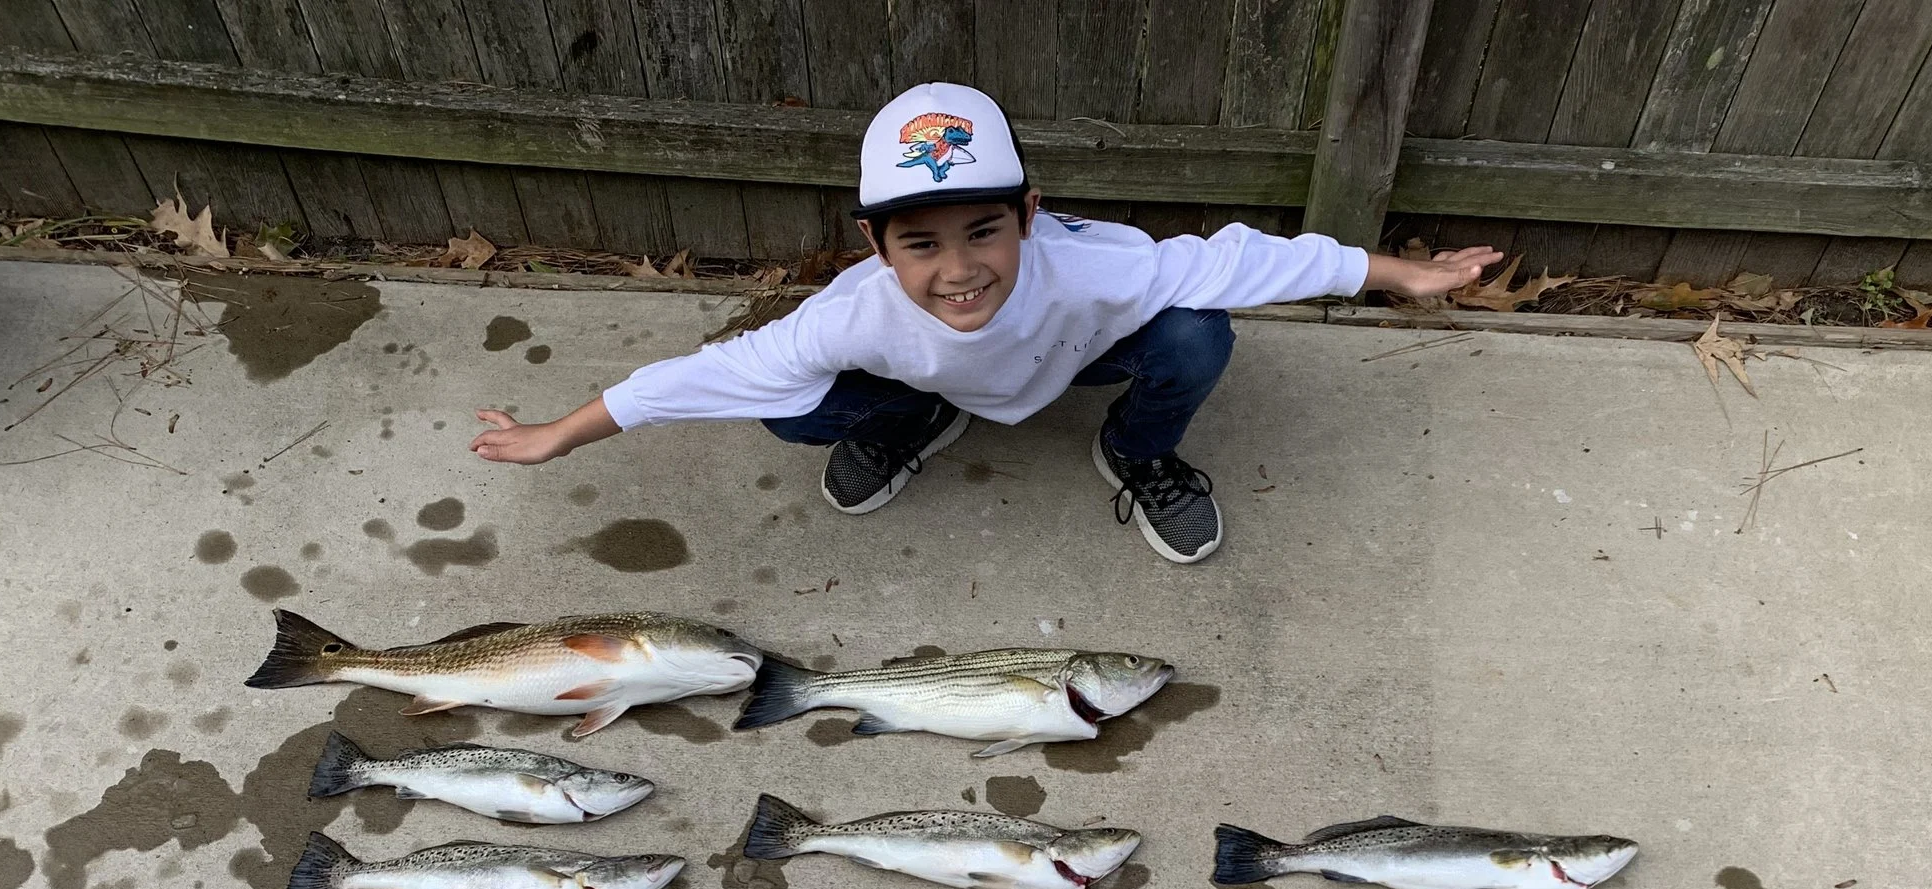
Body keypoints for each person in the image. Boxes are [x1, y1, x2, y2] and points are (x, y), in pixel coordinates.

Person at [472, 81, 1498, 565]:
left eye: (983, 232)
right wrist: (561, 432)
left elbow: (1240, 256)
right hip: (929, 377)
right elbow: (704, 372)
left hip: (1079, 358)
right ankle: (912, 422)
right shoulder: (852, 315)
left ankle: (1138, 454)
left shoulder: (1096, 264)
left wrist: (1399, 276)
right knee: (784, 408)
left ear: (1030, 215)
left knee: (1199, 327)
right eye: (920, 244)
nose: (959, 270)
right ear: (873, 245)